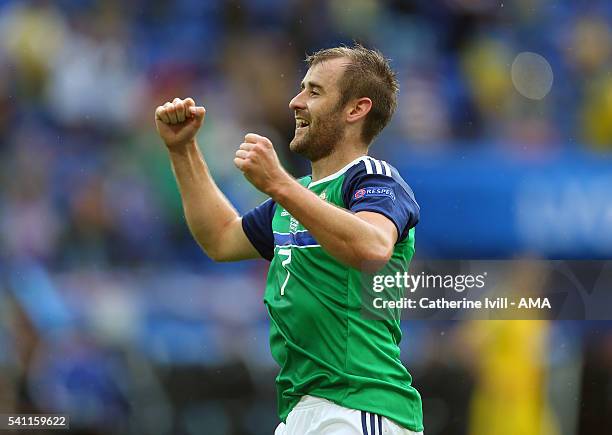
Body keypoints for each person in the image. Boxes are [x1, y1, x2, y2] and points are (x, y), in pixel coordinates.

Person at [154, 44, 423, 435]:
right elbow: (221, 239)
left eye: (314, 91)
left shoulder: (373, 178)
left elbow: (372, 247)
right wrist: (182, 150)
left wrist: (278, 184)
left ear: (355, 109)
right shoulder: (299, 196)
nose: (296, 102)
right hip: (301, 410)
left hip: (360, 406)